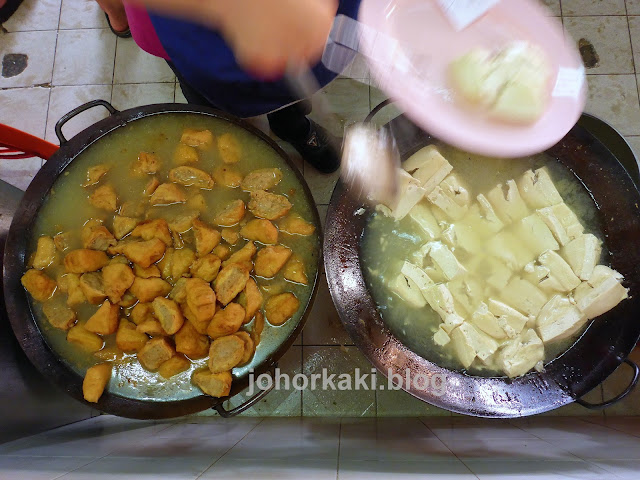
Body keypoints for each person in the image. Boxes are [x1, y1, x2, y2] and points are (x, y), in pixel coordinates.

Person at [123, 0, 362, 173]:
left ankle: (295, 129)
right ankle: (230, 154)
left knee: (289, 80)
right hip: (183, 22)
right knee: (212, 108)